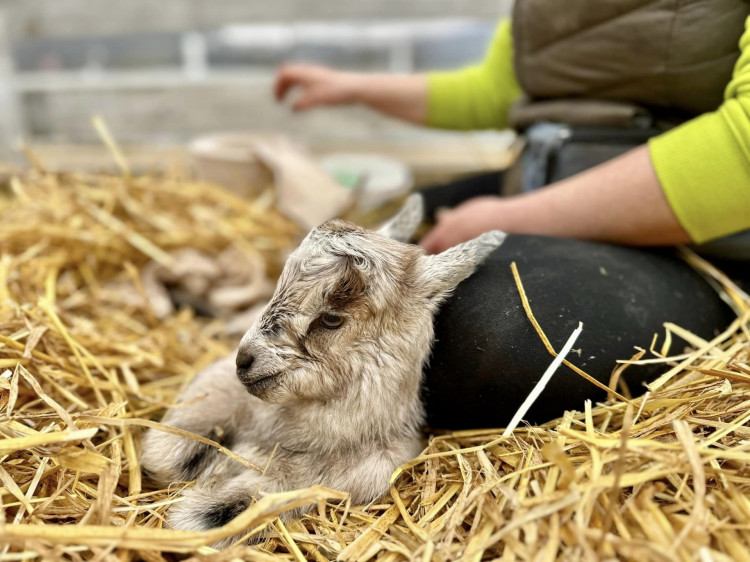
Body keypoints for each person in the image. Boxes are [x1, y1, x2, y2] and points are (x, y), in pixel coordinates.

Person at [273, 3, 750, 428]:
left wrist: (514, 217)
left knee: (487, 340)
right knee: (383, 228)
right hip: (537, 183)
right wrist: (355, 87)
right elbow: (501, 90)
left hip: (685, 238)